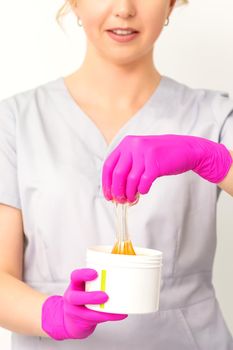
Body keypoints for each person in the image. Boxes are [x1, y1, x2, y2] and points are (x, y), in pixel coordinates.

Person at [0, 0, 233, 349]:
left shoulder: (215, 114)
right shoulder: (16, 121)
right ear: (75, 3)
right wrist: (53, 315)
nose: (124, 8)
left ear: (170, 4)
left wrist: (211, 158)